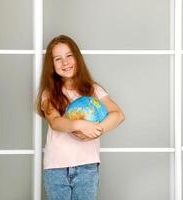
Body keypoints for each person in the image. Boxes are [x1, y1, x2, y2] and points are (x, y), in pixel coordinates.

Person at [35, 35, 125, 200]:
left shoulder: (93, 89)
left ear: (77, 58)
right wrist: (80, 125)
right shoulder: (49, 94)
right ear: (52, 65)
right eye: (58, 59)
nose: (65, 62)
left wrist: (97, 129)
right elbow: (56, 122)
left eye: (69, 56)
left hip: (87, 166)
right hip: (56, 167)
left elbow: (118, 115)